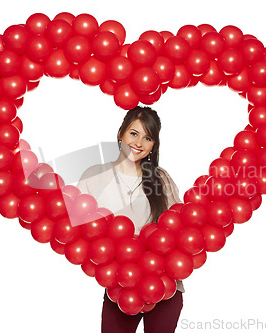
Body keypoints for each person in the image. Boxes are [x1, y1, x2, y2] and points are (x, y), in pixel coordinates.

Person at [76, 106, 184, 333]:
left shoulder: (160, 179)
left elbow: (179, 228)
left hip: (164, 288)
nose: (139, 143)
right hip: (120, 287)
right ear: (121, 133)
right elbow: (78, 231)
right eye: (133, 134)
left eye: (147, 138)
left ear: (154, 145)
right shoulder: (94, 176)